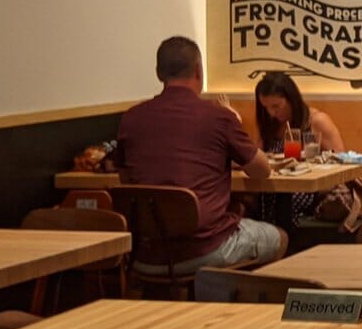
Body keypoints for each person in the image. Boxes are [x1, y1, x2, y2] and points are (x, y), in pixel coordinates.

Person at [116, 36, 287, 273]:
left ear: (158, 73)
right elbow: (262, 170)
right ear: (199, 71)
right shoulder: (219, 117)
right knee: (279, 237)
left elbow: (126, 182)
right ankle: (231, 296)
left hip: (145, 256)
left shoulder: (130, 119)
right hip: (206, 248)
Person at [248, 71, 345, 230]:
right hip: (269, 191)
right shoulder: (270, 125)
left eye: (276, 106)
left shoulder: (316, 121)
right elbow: (257, 157)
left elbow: (341, 164)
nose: (271, 113)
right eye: (266, 108)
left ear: (291, 99)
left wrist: (311, 162)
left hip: (306, 193)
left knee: (282, 203)